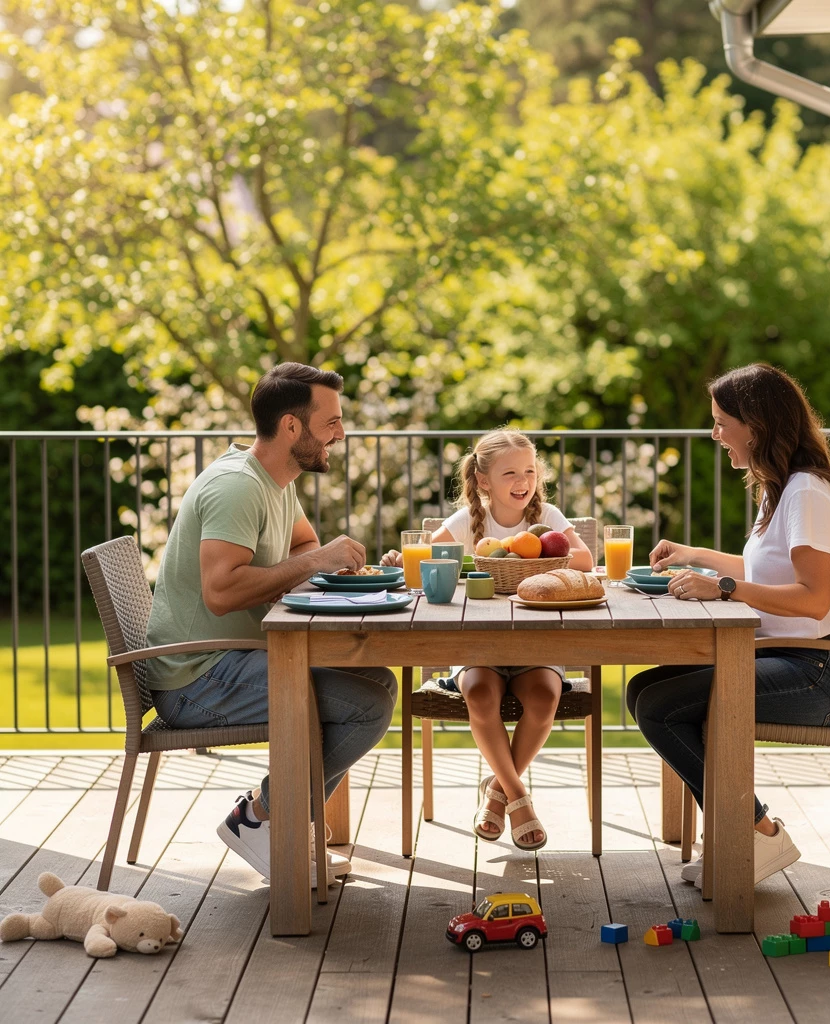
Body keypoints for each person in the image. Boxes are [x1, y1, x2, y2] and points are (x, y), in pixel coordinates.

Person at [145, 363, 398, 886]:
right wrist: (312, 565)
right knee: (366, 706)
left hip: (230, 660)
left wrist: (319, 563)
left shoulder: (275, 481)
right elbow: (221, 593)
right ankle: (263, 820)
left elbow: (306, 545)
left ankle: (267, 815)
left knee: (378, 679)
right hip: (197, 678)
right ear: (291, 427)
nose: (341, 434)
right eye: (330, 422)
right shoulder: (238, 488)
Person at [627, 364, 830, 887]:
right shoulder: (782, 487)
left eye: (722, 423)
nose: (715, 434)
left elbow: (813, 598)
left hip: (827, 674)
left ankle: (756, 834)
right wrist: (699, 557)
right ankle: (745, 830)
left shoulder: (805, 491)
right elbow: (769, 573)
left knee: (659, 704)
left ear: (756, 426)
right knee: (646, 688)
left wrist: (723, 589)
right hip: (799, 657)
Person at [384, 428, 593, 850]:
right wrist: (396, 557)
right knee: (479, 693)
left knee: (544, 698)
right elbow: (425, 556)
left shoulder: (547, 518)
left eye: (530, 471)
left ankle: (497, 794)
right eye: (510, 473)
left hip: (537, 647)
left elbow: (588, 560)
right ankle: (518, 797)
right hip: (478, 647)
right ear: (483, 481)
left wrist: (549, 551)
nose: (523, 481)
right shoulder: (467, 522)